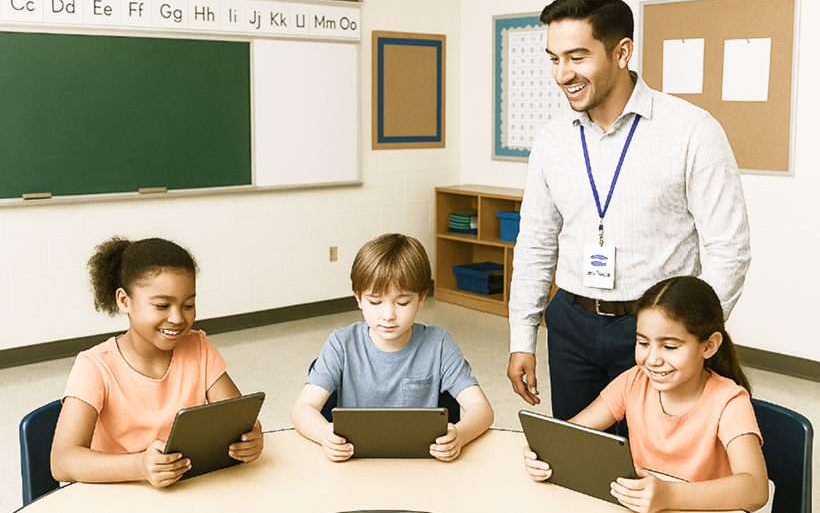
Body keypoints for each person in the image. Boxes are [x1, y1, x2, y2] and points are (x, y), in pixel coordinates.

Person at [506, 0, 751, 422]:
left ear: (622, 52)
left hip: (655, 330)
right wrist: (521, 338)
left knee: (650, 466)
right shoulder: (552, 140)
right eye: (554, 58)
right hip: (572, 323)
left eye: (577, 57)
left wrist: (686, 337)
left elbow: (728, 248)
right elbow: (536, 245)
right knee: (576, 457)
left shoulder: (692, 131)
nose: (563, 74)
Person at [523, 276, 768, 513]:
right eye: (642, 343)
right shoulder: (633, 381)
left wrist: (669, 494)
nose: (652, 360)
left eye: (670, 346)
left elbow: (756, 490)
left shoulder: (730, 400)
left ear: (710, 346)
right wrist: (542, 454)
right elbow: (567, 435)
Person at [51, 237, 264, 488]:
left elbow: (236, 418)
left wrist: (251, 437)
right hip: (119, 495)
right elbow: (62, 462)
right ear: (124, 301)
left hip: (185, 492)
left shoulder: (199, 346)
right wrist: (139, 465)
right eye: (162, 305)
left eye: (188, 305)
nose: (177, 318)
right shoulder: (94, 366)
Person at [291, 233, 494, 462]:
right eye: (375, 302)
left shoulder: (439, 344)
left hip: (419, 463)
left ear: (421, 299)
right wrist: (323, 434)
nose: (388, 315)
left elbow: (481, 409)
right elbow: (302, 409)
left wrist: (460, 434)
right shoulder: (341, 344)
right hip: (355, 462)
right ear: (358, 299)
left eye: (402, 302)